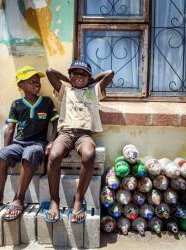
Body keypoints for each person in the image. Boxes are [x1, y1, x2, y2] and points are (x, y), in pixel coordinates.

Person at [0, 65, 59, 221]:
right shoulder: (16, 104)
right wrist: (7, 152)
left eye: (38, 81)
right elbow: (10, 128)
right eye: (32, 81)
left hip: (37, 144)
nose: (37, 84)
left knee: (30, 153)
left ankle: (18, 198)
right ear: (21, 85)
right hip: (18, 143)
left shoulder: (47, 102)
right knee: (0, 156)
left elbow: (56, 124)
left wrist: (51, 142)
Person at [45, 59, 114, 223]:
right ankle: (54, 200)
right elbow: (49, 71)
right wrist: (69, 80)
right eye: (75, 73)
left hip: (84, 135)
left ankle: (78, 199)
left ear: (88, 77)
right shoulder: (66, 91)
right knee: (54, 156)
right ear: (70, 75)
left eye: (83, 74)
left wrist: (91, 80)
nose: (79, 76)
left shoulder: (94, 90)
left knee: (89, 154)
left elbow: (110, 74)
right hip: (65, 133)